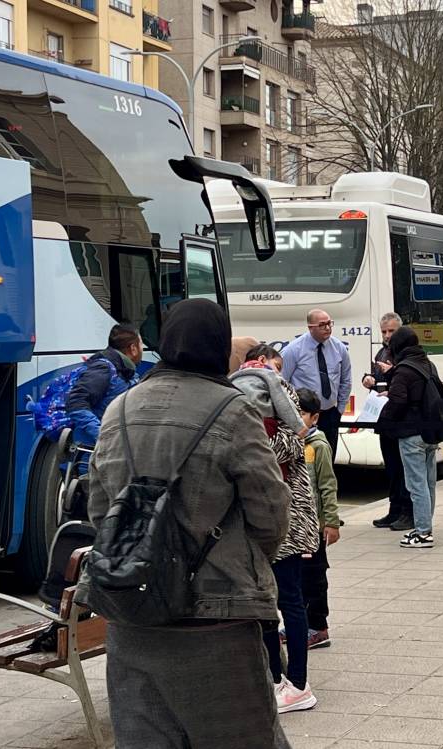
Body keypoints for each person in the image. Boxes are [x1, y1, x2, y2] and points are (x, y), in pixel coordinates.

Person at [80, 300, 292, 749]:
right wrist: (244, 563)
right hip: (215, 623)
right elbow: (271, 510)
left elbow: (101, 510)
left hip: (132, 615)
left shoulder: (119, 408)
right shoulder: (233, 410)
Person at [260, 378, 320, 715]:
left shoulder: (287, 426)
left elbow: (276, 450)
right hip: (262, 527)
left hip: (287, 527)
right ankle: (275, 678)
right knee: (267, 605)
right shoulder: (262, 419)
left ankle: (298, 683)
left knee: (289, 600)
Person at [380, 326, 439, 549]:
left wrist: (384, 418)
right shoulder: (427, 363)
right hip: (430, 429)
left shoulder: (404, 369)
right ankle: (426, 525)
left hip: (411, 432)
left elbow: (397, 402)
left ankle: (423, 532)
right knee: (429, 482)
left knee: (416, 484)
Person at [64, 324, 143, 473]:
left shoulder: (126, 372)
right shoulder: (104, 369)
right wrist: (102, 435)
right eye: (141, 345)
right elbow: (75, 403)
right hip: (93, 459)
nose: (142, 350)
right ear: (133, 348)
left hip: (111, 457)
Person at [297, 388, 340, 651]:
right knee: (297, 578)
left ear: (315, 417)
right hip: (296, 526)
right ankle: (300, 623)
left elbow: (327, 486)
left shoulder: (318, 446)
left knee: (314, 577)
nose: (295, 417)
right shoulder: (290, 443)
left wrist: (332, 522)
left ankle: (318, 626)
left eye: (301, 413)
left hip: (314, 526)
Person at [362, 312, 413, 530]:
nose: (387, 335)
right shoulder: (382, 352)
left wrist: (391, 373)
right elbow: (377, 379)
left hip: (402, 420)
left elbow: (407, 384)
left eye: (391, 331)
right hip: (384, 418)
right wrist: (369, 379)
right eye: (384, 331)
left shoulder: (406, 354)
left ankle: (407, 512)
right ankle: (394, 510)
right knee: (391, 467)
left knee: (404, 469)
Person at [281, 309, 352, 454]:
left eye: (329, 323)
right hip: (304, 415)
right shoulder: (294, 350)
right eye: (322, 325)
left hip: (330, 413)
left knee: (328, 457)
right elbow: (282, 383)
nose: (327, 328)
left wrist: (340, 409)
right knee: (305, 459)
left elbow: (346, 379)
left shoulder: (339, 348)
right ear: (310, 327)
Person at [232, 344, 308, 442]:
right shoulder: (270, 375)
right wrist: (299, 427)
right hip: (262, 419)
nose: (279, 373)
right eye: (278, 366)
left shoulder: (234, 377)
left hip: (236, 421)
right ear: (262, 359)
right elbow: (283, 402)